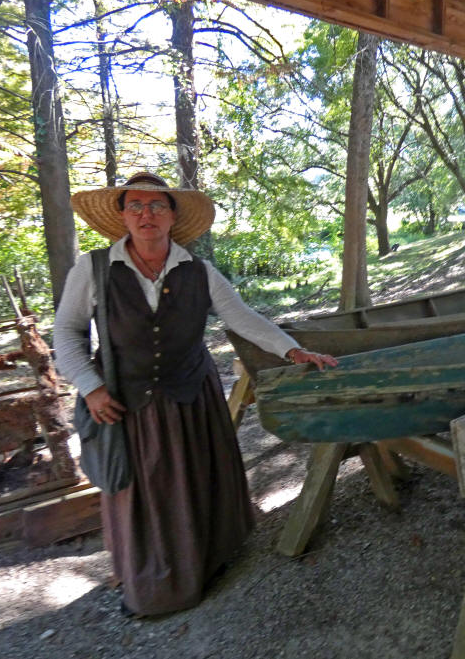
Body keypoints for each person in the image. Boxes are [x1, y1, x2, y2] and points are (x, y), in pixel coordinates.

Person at [53, 172, 337, 617]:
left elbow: (241, 317)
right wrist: (90, 387)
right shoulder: (92, 269)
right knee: (143, 494)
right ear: (122, 215)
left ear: (172, 216)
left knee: (198, 479)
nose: (146, 214)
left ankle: (211, 558)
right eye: (136, 206)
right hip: (128, 404)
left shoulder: (199, 271)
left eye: (157, 206)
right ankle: (154, 585)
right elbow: (66, 334)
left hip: (191, 395)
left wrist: (292, 349)